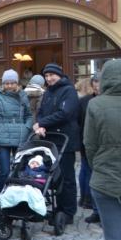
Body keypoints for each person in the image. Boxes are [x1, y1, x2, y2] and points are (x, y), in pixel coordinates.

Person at [84, 59, 121, 240]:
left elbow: (89, 144)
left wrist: (97, 166)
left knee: (113, 233)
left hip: (106, 176)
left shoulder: (97, 105)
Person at [33, 63, 80, 225]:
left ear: (59, 75)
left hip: (65, 140)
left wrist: (43, 123)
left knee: (67, 178)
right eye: (46, 76)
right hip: (50, 141)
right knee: (55, 177)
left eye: (52, 75)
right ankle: (58, 208)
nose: (49, 78)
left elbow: (65, 113)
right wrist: (40, 124)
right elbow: (41, 113)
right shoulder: (48, 93)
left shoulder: (69, 91)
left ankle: (68, 212)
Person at [0, 69, 32, 194]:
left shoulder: (22, 96)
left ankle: (17, 196)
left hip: (20, 137)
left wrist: (26, 127)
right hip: (2, 140)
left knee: (19, 170)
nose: (9, 86)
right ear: (3, 84)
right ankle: (1, 198)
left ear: (17, 83)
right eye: (7, 83)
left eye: (12, 83)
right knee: (5, 171)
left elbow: (29, 115)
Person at [78, 74, 102, 222]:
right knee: (88, 172)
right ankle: (92, 205)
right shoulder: (84, 102)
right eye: (96, 82)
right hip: (87, 143)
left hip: (107, 145)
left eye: (100, 82)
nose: (97, 85)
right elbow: (79, 123)